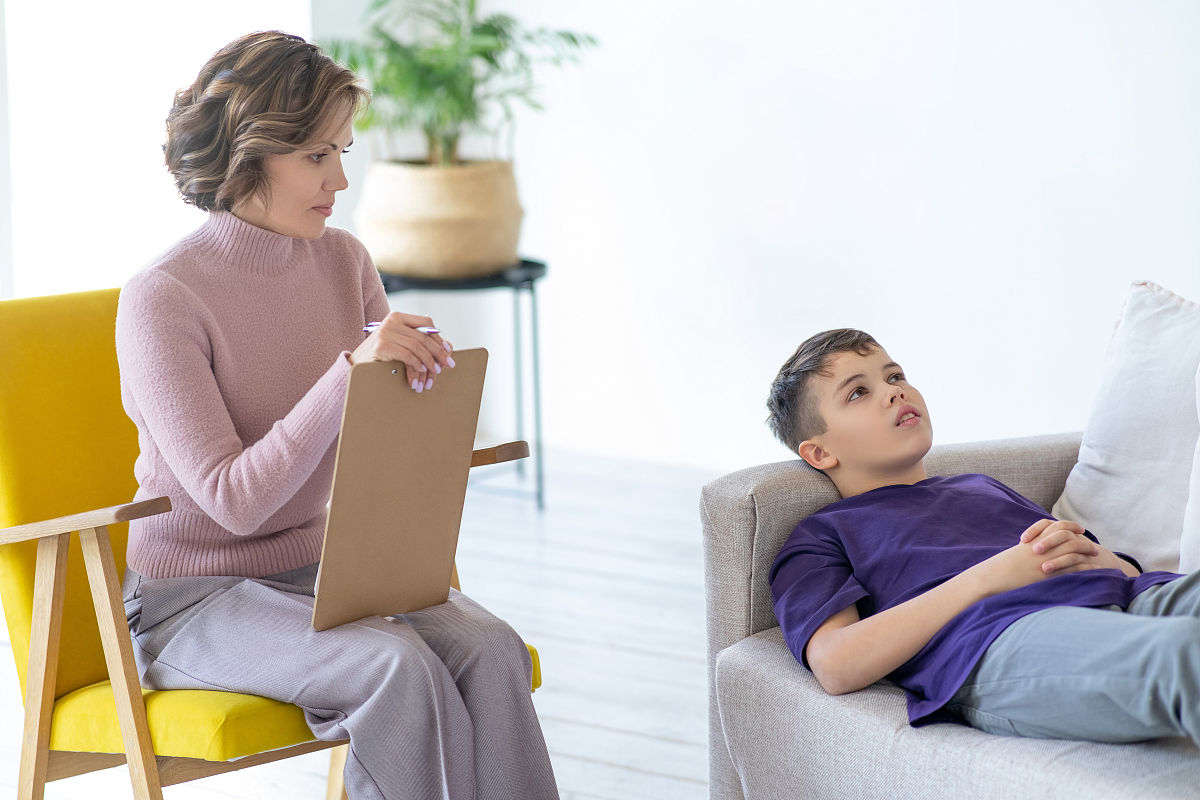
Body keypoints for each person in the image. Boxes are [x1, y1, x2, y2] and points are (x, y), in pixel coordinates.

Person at [115, 31, 558, 800]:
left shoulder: (343, 259)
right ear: (250, 153)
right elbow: (235, 502)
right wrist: (348, 375)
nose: (341, 179)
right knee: (394, 668)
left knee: (491, 649)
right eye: (318, 156)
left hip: (330, 574)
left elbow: (375, 440)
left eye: (341, 152)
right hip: (196, 601)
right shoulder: (163, 299)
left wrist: (420, 399)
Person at [764, 328, 1200, 745]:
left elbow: (1107, 559)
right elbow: (837, 664)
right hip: (999, 638)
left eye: (894, 376)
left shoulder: (978, 486)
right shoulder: (821, 536)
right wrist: (996, 575)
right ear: (820, 452)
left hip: (1129, 592)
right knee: (1186, 654)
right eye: (858, 392)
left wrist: (1105, 559)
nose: (894, 391)